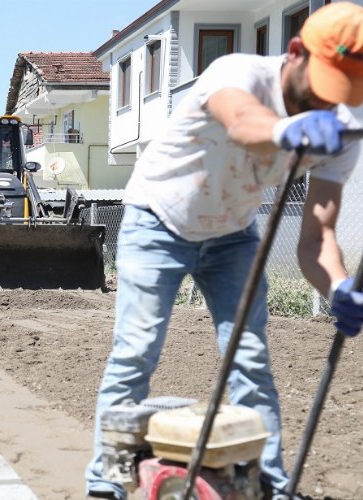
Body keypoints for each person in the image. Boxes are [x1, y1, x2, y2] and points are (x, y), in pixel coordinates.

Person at [86, 3, 363, 499]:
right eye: (322, 84)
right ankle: (104, 482)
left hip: (232, 234)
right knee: (135, 353)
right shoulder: (238, 72)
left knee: (251, 360)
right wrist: (286, 131)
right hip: (158, 221)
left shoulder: (339, 130)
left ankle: (269, 485)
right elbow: (241, 121)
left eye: (342, 90)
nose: (327, 101)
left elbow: (317, 236)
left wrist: (339, 286)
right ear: (295, 52)